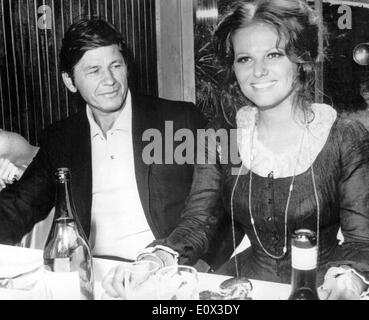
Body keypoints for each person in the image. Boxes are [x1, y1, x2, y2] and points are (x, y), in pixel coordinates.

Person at [104, 0, 369, 299]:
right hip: (244, 286)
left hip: (324, 287)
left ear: (301, 59)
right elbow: (197, 223)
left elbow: (364, 243)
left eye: (273, 54)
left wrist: (351, 280)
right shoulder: (221, 139)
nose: (258, 71)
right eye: (245, 59)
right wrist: (153, 260)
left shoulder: (344, 138)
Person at [0, 18, 234, 273]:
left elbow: (220, 200)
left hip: (166, 268)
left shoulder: (178, 121)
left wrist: (206, 263)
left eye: (115, 65)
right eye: (94, 71)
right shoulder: (61, 138)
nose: (109, 80)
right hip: (93, 274)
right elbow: (20, 205)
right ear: (69, 81)